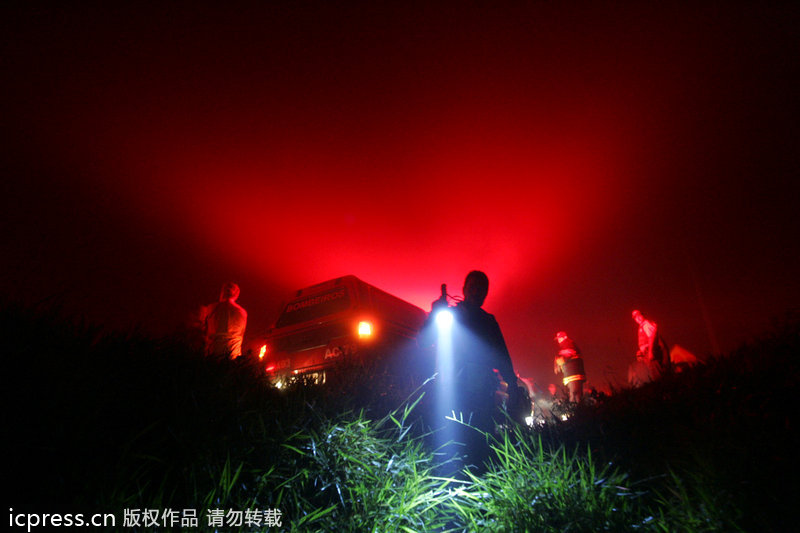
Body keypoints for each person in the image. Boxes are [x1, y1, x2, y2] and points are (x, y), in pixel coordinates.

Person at [421, 270, 519, 469]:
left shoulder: (489, 322)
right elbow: (424, 341)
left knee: (479, 445)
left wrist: (514, 387)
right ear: (464, 289)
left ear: (486, 294)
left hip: (481, 395)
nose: (477, 291)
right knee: (453, 443)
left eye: (482, 288)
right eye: (473, 286)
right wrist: (434, 314)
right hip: (453, 393)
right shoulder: (450, 315)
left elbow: (502, 357)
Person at [202, 282, 248, 358]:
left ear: (222, 293)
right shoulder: (243, 312)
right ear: (236, 295)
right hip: (233, 355)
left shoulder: (211, 308)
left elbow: (203, 329)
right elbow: (241, 333)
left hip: (213, 354)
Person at [553, 331, 586, 403]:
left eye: (560, 338)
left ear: (565, 337)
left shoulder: (569, 344)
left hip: (574, 374)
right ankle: (577, 410)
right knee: (573, 394)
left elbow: (567, 355)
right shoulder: (565, 346)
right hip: (571, 374)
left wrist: (558, 361)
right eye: (558, 338)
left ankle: (578, 411)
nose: (559, 340)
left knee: (575, 395)